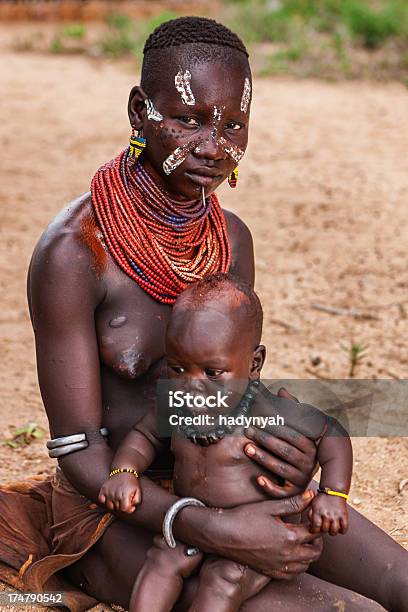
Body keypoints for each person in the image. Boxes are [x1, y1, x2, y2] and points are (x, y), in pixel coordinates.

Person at [0, 15, 406, 612]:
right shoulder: (75, 253)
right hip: (116, 507)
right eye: (188, 120)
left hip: (229, 486)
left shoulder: (231, 239)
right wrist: (209, 528)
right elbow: (80, 451)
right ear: (140, 111)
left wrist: (281, 454)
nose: (214, 146)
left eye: (234, 125)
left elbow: (234, 386)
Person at [99, 272, 353, 612]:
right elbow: (143, 437)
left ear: (254, 364)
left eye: (212, 373)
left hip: (259, 529)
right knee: (161, 560)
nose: (191, 385)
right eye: (177, 368)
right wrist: (124, 472)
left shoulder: (267, 409)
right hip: (196, 521)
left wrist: (333, 495)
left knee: (224, 579)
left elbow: (331, 433)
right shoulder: (175, 403)